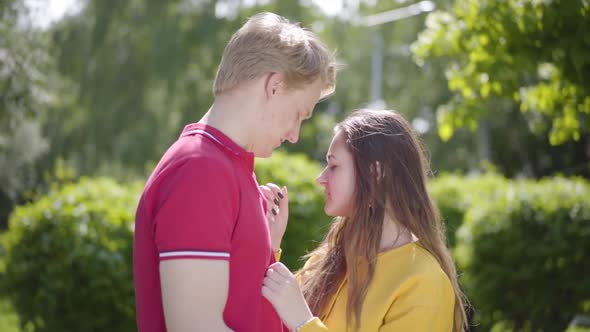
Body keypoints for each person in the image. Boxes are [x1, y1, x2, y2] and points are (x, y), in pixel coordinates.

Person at [133, 12, 337, 332]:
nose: (295, 134)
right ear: (274, 86)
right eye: (299, 114)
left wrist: (266, 248)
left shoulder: (227, 167)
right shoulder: (200, 171)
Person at [260, 109, 468, 332]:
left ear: (375, 173)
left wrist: (303, 322)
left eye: (333, 166)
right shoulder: (326, 260)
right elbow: (262, 322)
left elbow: (295, 318)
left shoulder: (424, 282)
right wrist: (270, 245)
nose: (320, 178)